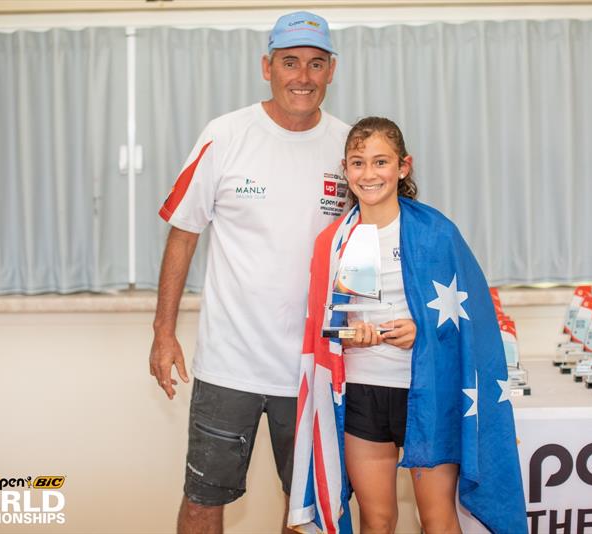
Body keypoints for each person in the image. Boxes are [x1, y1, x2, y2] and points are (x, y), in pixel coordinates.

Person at [149, 11, 350, 534]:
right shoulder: (226, 134)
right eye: (290, 62)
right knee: (200, 502)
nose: (302, 76)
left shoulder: (350, 147)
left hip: (313, 366)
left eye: (315, 63)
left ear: (331, 71)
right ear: (267, 66)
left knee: (305, 510)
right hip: (228, 365)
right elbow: (184, 233)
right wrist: (163, 332)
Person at [289, 117, 527, 534]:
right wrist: (351, 336)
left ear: (403, 166)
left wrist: (423, 331)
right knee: (377, 521)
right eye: (358, 163)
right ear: (345, 170)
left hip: (428, 392)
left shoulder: (437, 233)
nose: (369, 173)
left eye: (380, 162)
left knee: (436, 519)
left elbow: (473, 323)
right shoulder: (333, 242)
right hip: (364, 392)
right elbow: (325, 326)